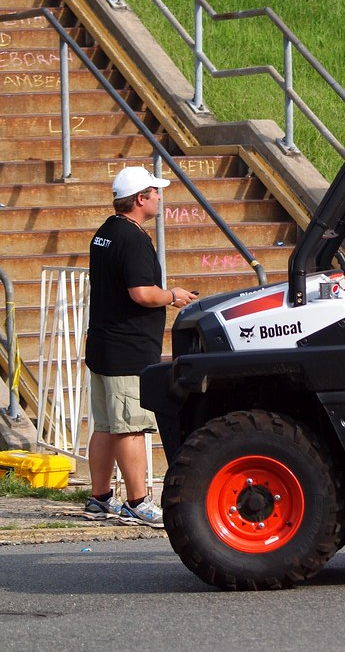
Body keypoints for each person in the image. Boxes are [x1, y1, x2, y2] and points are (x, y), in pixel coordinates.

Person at [83, 167, 198, 528]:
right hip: (127, 348)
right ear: (139, 199)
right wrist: (173, 296)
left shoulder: (105, 232)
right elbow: (142, 293)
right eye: (155, 192)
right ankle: (137, 502)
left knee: (105, 425)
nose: (160, 197)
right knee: (130, 427)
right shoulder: (133, 239)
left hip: (104, 343)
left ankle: (99, 498)